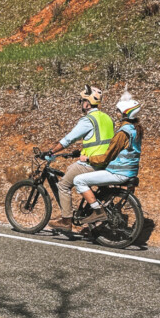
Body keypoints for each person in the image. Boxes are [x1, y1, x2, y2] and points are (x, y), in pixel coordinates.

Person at [45, 85, 114, 234]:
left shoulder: (88, 120)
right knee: (71, 169)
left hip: (91, 163)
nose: (81, 104)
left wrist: (52, 151)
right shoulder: (108, 118)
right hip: (106, 162)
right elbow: (99, 140)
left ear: (87, 103)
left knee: (63, 185)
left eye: (82, 101)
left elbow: (68, 139)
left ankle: (66, 221)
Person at [72, 91, 143, 225]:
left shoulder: (122, 133)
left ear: (124, 114)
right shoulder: (135, 129)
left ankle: (98, 212)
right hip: (130, 171)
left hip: (118, 173)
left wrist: (88, 159)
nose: (116, 113)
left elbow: (106, 157)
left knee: (78, 180)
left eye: (118, 111)